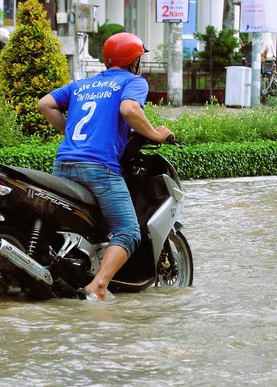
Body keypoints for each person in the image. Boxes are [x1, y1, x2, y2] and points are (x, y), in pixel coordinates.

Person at [37, 32, 173, 301]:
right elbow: (130, 110)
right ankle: (98, 286)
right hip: (99, 168)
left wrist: (71, 134)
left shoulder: (82, 84)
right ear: (135, 61)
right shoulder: (133, 82)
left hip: (64, 164)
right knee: (128, 231)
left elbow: (45, 104)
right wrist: (157, 135)